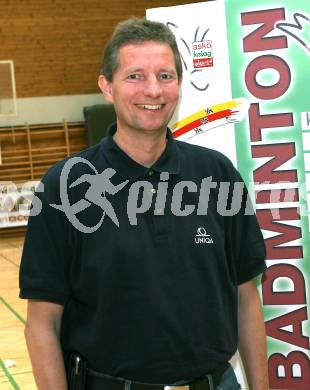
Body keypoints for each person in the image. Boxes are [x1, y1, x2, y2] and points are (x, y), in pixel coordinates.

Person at [19, 17, 269, 390]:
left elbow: (245, 298)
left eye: (165, 76)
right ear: (107, 86)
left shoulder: (217, 173)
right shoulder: (63, 187)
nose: (153, 90)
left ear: (180, 85)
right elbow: (41, 323)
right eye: (135, 76)